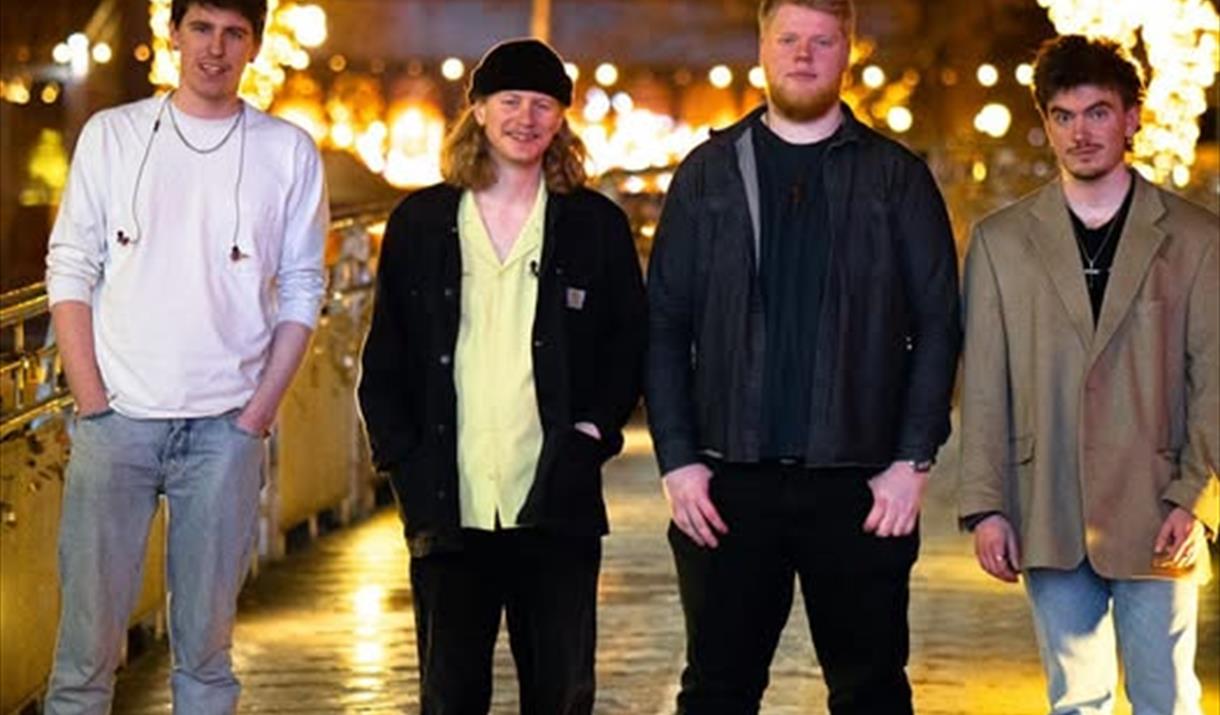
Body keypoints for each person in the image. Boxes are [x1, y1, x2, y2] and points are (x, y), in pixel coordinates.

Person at [645, 0, 960, 712]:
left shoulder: (896, 177)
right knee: (716, 691)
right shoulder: (709, 173)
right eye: (788, 38)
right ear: (762, 46)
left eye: (823, 40)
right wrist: (678, 460)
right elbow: (663, 323)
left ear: (850, 50)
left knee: (871, 691)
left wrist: (911, 461)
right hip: (726, 484)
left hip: (861, 486)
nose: (804, 54)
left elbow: (939, 323)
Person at [41, 0, 327, 711]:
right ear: (174, 36)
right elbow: (69, 265)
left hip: (224, 430)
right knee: (84, 656)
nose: (215, 49)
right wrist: (92, 403)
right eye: (201, 29)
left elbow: (302, 288)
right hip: (118, 424)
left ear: (255, 46)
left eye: (234, 34)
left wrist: (256, 417)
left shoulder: (286, 150)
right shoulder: (114, 136)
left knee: (205, 658)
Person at [357, 38, 646, 715]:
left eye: (543, 103)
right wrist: (402, 458)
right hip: (447, 500)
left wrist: (590, 433)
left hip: (556, 499)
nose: (526, 116)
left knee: (561, 695)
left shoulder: (594, 226)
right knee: (449, 696)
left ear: (560, 120)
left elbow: (626, 344)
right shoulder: (421, 222)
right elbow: (386, 355)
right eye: (509, 100)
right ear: (478, 111)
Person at [958, 34, 1218, 715]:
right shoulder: (1001, 242)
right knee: (1076, 700)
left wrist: (1197, 495)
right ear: (1045, 123)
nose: (1081, 132)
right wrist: (987, 505)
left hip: (1162, 505)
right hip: (1048, 501)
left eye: (1098, 112)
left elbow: (1215, 377)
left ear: (1132, 117)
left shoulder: (1195, 237)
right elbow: (985, 382)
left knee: (1166, 699)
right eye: (1064, 115)